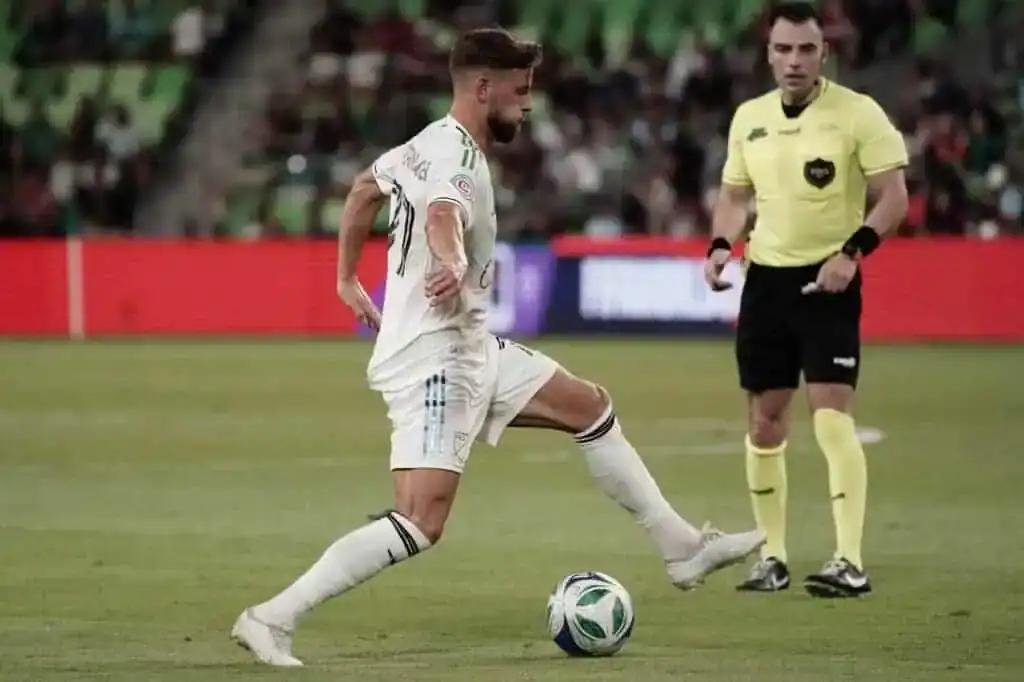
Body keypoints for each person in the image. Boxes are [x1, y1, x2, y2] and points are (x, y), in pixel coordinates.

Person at [232, 28, 764, 667]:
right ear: (484, 89)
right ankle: (272, 617)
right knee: (420, 521)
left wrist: (347, 277)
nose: (528, 103)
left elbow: (362, 191)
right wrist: (451, 259)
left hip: (469, 345)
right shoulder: (456, 158)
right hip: (435, 362)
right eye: (521, 90)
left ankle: (681, 548)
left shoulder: (425, 143)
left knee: (589, 405)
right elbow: (443, 216)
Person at [704, 3, 908, 598]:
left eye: (806, 50)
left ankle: (849, 560)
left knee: (830, 417)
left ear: (824, 54)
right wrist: (721, 242)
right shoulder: (750, 119)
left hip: (827, 283)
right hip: (765, 282)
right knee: (764, 422)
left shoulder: (857, 114)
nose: (794, 61)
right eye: (784, 50)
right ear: (769, 54)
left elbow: (892, 197)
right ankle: (772, 557)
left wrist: (853, 252)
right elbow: (735, 195)